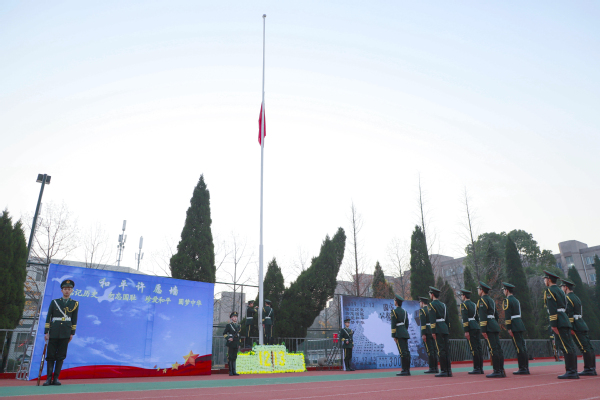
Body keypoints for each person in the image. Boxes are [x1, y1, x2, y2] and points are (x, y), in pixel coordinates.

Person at [43, 279, 79, 386]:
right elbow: (49, 317)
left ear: (71, 291)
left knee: (61, 356)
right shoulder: (55, 302)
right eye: (65, 289)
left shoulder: (75, 303)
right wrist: (46, 332)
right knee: (50, 355)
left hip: (65, 332)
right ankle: (48, 379)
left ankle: (56, 379)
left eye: (69, 289)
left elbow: (74, 319)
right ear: (61, 290)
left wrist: (72, 333)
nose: (67, 291)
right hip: (54, 331)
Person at [543, 270, 579, 379]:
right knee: (569, 346)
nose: (544, 281)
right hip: (564, 319)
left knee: (565, 347)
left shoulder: (549, 291)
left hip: (559, 320)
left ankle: (571, 371)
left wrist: (553, 324)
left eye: (545, 279)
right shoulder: (560, 291)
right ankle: (573, 371)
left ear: (549, 280)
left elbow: (552, 308)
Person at [561, 278, 596, 376]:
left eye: (562, 287)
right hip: (581, 323)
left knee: (584, 347)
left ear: (566, 287)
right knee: (588, 347)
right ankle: (591, 368)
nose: (562, 289)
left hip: (575, 325)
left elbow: (569, 313)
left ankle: (589, 369)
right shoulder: (576, 297)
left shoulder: (567, 298)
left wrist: (570, 327)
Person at [477, 282, 505, 378]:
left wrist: (483, 330)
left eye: (478, 289)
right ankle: (501, 369)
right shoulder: (491, 300)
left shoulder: (482, 300)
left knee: (493, 349)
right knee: (498, 348)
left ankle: (497, 370)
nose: (478, 291)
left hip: (488, 326)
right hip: (494, 324)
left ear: (481, 290)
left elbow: (482, 316)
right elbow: (496, 315)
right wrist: (494, 324)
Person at [502, 282, 530, 375]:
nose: (503, 292)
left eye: (504, 290)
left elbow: (508, 316)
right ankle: (525, 367)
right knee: (522, 347)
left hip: (514, 325)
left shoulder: (507, 300)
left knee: (518, 348)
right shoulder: (516, 300)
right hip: (519, 323)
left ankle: (522, 368)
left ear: (506, 290)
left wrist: (509, 328)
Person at [428, 286, 452, 377]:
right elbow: (447, 319)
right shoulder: (443, 305)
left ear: (432, 294)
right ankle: (448, 370)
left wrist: (433, 331)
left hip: (438, 328)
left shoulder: (431, 305)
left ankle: (444, 370)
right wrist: (448, 329)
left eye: (430, 294)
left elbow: (432, 320)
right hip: (444, 328)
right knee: (446, 350)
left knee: (441, 350)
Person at [460, 289, 483, 375]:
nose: (461, 296)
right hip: (476, 326)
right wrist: (476, 325)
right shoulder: (474, 304)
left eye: (462, 295)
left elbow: (465, 318)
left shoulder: (464, 305)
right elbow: (477, 317)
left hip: (470, 327)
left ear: (464, 296)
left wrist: (466, 331)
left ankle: (476, 368)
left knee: (474, 348)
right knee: (478, 348)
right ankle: (480, 367)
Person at [391, 294, 411, 376]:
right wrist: (404, 330)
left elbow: (393, 324)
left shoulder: (394, 312)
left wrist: (393, 335)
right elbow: (407, 323)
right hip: (404, 332)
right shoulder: (405, 312)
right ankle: (407, 369)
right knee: (406, 351)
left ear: (396, 302)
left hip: (399, 333)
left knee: (402, 352)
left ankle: (404, 370)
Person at [419, 296, 438, 374]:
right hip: (432, 330)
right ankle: (435, 367)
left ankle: (431, 367)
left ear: (422, 302)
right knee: (434, 350)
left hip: (427, 331)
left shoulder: (423, 311)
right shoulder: (430, 309)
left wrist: (423, 334)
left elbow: (423, 324)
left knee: (429, 351)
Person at [223, 311, 241, 376]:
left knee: (234, 357)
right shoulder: (229, 325)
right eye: (234, 317)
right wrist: (228, 338)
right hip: (231, 343)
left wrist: (239, 343)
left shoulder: (239, 326)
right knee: (230, 357)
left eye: (236, 317)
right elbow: (224, 333)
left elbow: (239, 335)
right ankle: (230, 371)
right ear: (231, 318)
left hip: (236, 342)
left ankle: (234, 371)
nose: (235, 318)